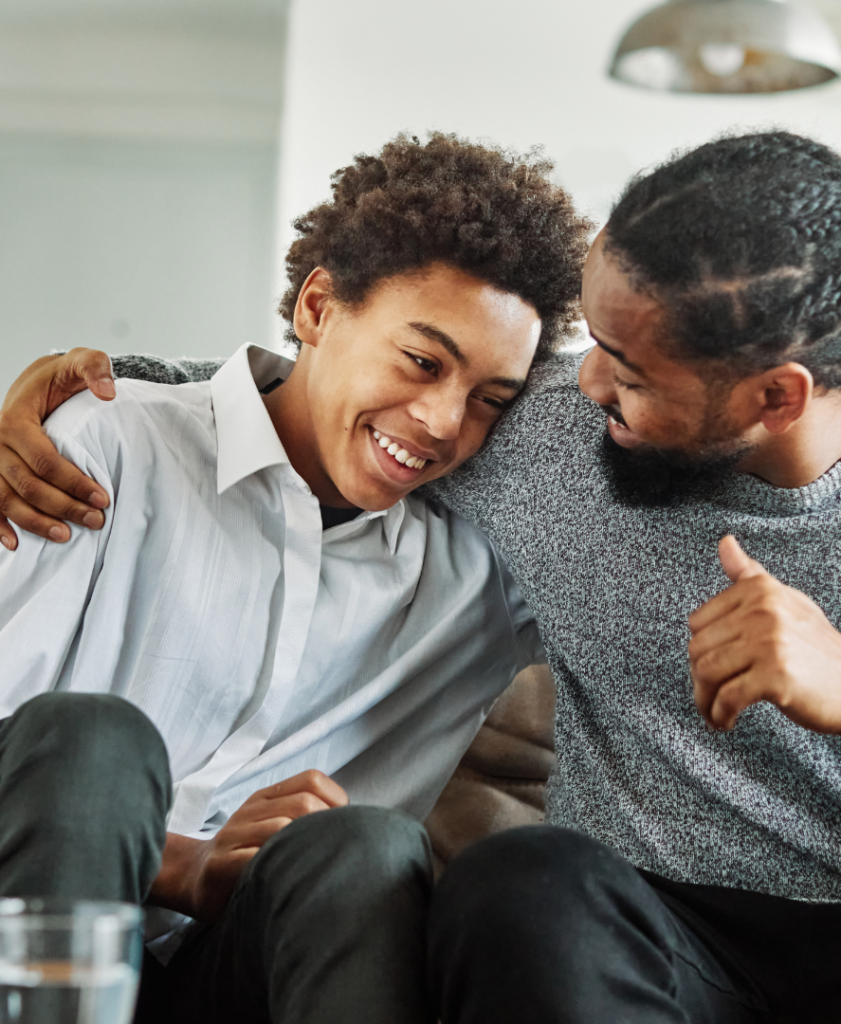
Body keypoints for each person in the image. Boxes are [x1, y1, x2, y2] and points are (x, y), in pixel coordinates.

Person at [3, 120, 841, 1023]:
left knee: (377, 852)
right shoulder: (555, 441)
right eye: (592, 347)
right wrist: (86, 392)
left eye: (625, 373)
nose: (578, 390)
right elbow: (316, 399)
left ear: (775, 397)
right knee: (515, 877)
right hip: (636, 928)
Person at [0, 131, 591, 1024]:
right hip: (33, 943)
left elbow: (677, 420)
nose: (440, 422)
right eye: (421, 361)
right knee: (94, 741)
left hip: (237, 977)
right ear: (319, 306)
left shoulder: (485, 574)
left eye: (489, 399)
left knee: (361, 845)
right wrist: (182, 865)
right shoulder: (95, 446)